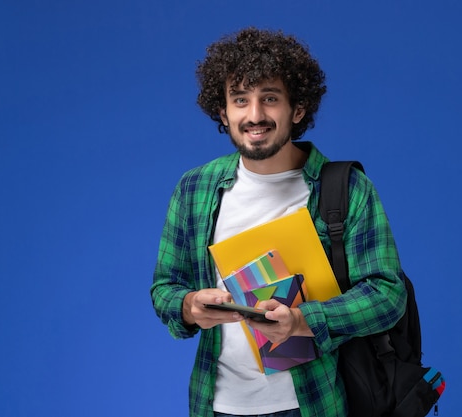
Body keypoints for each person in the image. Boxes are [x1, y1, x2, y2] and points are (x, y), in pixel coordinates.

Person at [151, 27, 407, 417]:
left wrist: (304, 320)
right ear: (223, 112)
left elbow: (388, 295)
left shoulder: (346, 189)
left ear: (297, 109)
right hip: (215, 404)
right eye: (240, 100)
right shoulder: (194, 188)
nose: (255, 116)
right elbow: (165, 287)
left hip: (311, 404)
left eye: (269, 99)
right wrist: (188, 306)